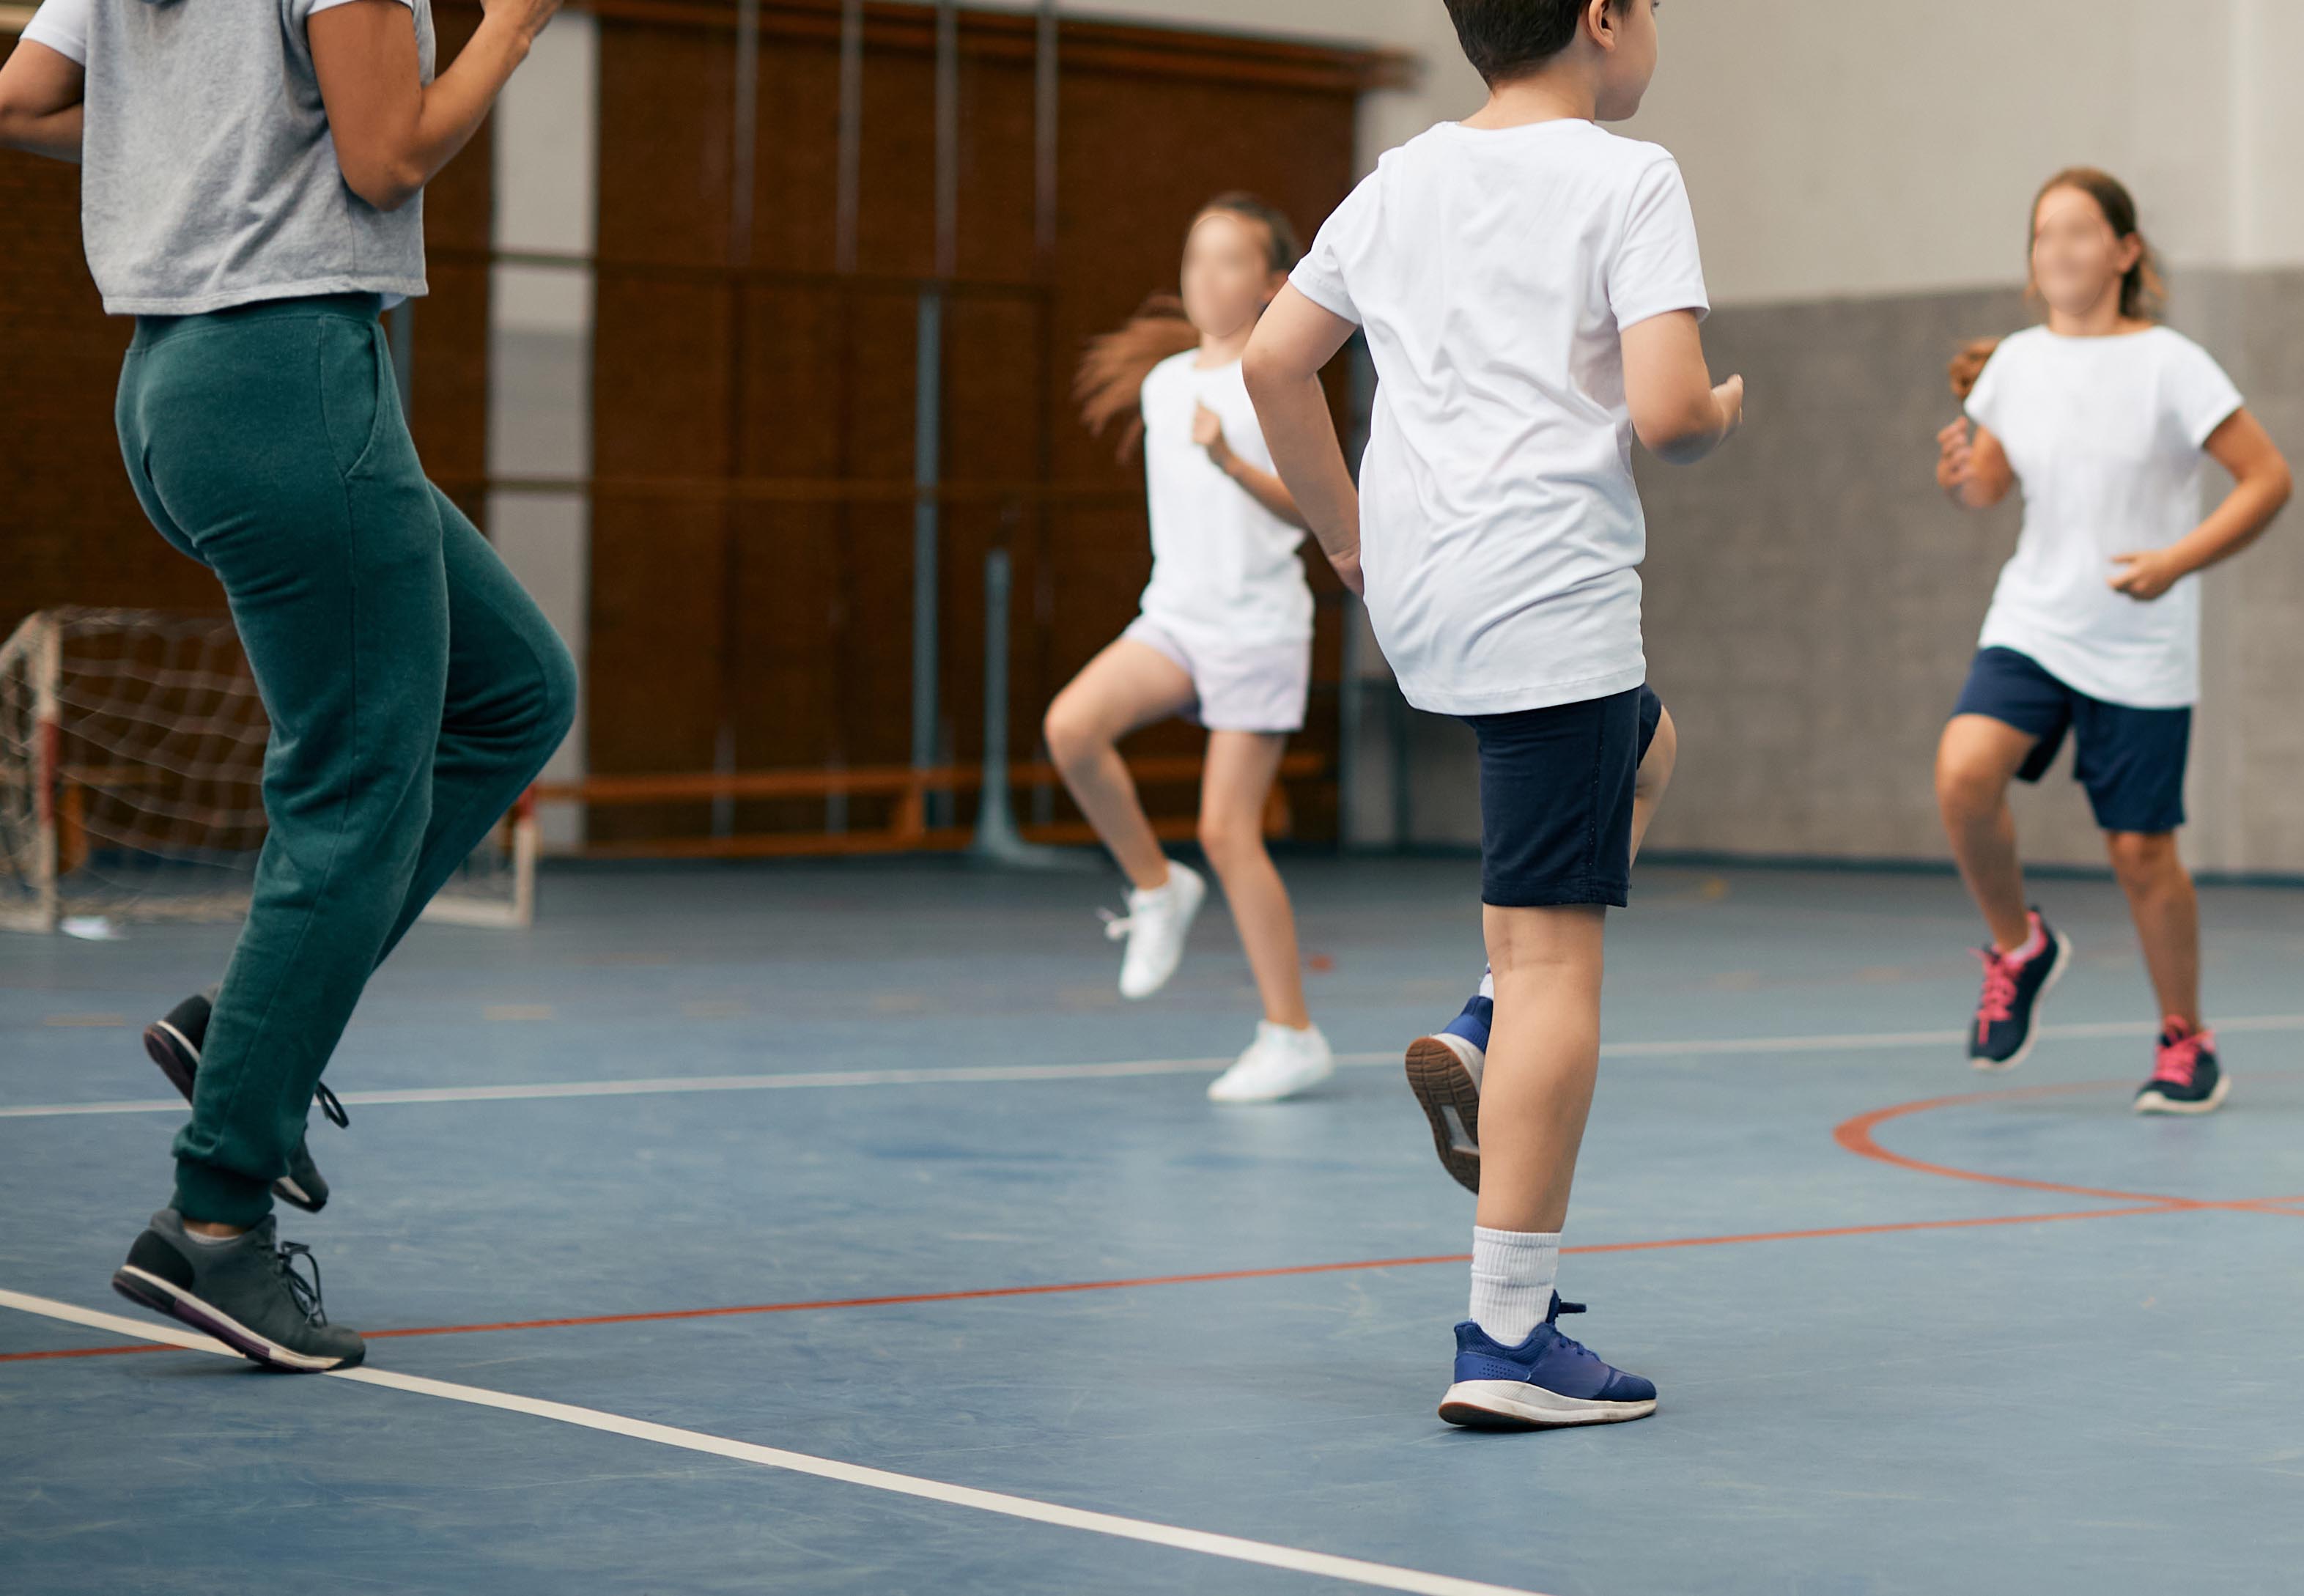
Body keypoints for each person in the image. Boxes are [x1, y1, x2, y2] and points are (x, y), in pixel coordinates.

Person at [0, 0, 577, 1370]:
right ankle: (214, 1219)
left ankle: (241, 1033)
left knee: (512, 690)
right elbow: (389, 158)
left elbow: (17, 100)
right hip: (290, 373)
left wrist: (184, 146)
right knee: (356, 787)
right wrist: (509, 30)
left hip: (175, 387)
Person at [1245, 0, 1740, 1429]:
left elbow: (1277, 365)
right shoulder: (1625, 178)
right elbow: (1663, 415)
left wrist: (1348, 540)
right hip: (1548, 594)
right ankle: (1507, 1337)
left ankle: (1478, 1018)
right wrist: (1719, 404)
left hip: (1430, 600)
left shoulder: (1399, 179)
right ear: (1600, 18)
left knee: (1645, 748)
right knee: (1555, 965)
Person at [1935, 168, 2291, 1113]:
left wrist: (2177, 561)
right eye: (2042, 233)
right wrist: (1965, 472)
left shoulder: (2174, 363)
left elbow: (2266, 479)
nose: (2056, 249)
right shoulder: (2014, 361)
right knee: (1964, 775)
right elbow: (1990, 488)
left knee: (2141, 853)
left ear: (2125, 251)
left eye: (2078, 232)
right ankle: (2020, 947)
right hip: (2035, 620)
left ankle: (2187, 1038)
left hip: (2140, 639)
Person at [1046, 194, 1335, 1104]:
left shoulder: (1281, 376)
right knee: (1071, 729)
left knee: (1226, 830)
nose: (1203, 277)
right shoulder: (1165, 384)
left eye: (1228, 260)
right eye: (1194, 257)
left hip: (1258, 628)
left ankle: (1292, 1035)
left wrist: (1233, 464)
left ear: (1273, 284)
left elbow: (1324, 511)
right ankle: (1155, 887)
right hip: (1175, 618)